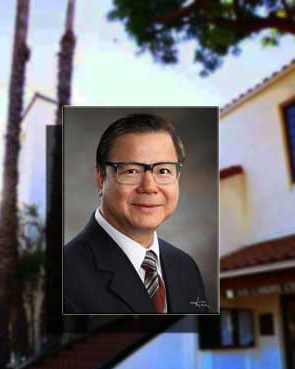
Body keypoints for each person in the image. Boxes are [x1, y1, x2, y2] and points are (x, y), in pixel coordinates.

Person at [63, 113, 210, 314]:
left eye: (163, 171)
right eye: (131, 171)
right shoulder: (65, 276)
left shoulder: (186, 267)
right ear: (100, 178)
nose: (149, 187)